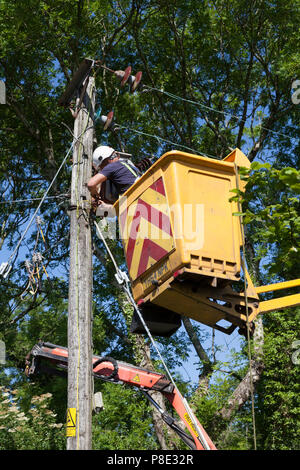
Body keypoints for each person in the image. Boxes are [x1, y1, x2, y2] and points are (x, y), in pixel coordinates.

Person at [87, 145, 140, 215]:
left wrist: (94, 193)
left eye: (101, 167)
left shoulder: (112, 166)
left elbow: (91, 184)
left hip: (135, 202)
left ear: (105, 161)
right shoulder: (127, 165)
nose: (102, 169)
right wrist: (108, 207)